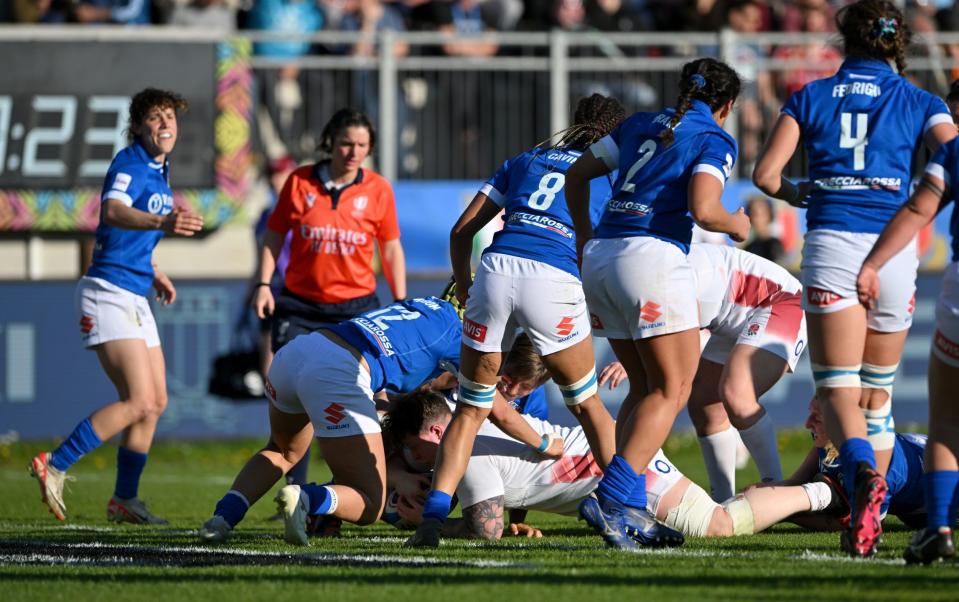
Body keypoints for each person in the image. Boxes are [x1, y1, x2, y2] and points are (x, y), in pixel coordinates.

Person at [751, 0, 956, 557]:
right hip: (895, 251)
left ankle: (862, 476)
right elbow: (953, 149)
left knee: (838, 388)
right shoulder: (921, 100)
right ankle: (875, 512)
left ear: (844, 41)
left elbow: (765, 175)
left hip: (835, 246)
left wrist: (802, 192)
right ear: (897, 45)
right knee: (878, 395)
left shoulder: (810, 96)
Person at [406, 94, 626, 549]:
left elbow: (461, 231)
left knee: (470, 409)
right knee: (588, 407)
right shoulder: (611, 171)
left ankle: (431, 520)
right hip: (552, 277)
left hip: (496, 270)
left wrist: (466, 287)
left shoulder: (526, 159)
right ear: (612, 133)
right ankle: (626, 509)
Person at [563, 57, 750, 550]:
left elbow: (576, 175)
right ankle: (614, 497)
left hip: (602, 256)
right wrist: (739, 224)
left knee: (645, 386)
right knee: (674, 387)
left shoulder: (639, 123)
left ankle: (630, 507)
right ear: (727, 105)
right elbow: (706, 212)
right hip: (650, 256)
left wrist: (587, 236)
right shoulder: (714, 137)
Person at [198, 296, 563, 544]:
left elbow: (404, 376)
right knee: (371, 502)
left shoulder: (421, 306)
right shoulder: (460, 334)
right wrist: (543, 443)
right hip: (339, 369)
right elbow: (496, 407)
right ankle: (307, 498)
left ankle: (221, 519)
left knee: (282, 450)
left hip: (298, 353)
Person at [28, 89, 204, 523]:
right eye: (155, 118)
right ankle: (55, 463)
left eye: (171, 118)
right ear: (138, 127)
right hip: (106, 291)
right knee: (139, 400)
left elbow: (131, 236)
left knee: (156, 401)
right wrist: (163, 221)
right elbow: (112, 210)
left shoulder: (160, 170)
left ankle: (124, 499)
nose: (165, 125)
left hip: (134, 290)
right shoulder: (130, 162)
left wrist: (153, 268)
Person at [385, 389, 843, 540]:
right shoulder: (467, 424)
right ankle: (810, 481)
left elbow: (486, 530)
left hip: (623, 473)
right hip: (614, 460)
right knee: (718, 512)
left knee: (719, 524)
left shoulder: (465, 451)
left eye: (412, 449)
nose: (412, 460)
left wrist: (425, 528)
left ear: (436, 435)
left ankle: (824, 491)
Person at [253, 107, 408, 488]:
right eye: (346, 144)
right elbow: (274, 235)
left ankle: (375, 490)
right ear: (330, 143)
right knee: (297, 404)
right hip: (300, 307)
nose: (353, 152)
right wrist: (262, 283)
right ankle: (296, 495)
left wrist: (401, 301)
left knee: (372, 401)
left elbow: (390, 249)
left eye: (361, 145)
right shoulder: (299, 182)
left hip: (356, 310)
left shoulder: (378, 189)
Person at [601, 243, 806, 502]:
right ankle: (722, 502)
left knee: (736, 395)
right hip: (727, 319)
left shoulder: (673, 276)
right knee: (705, 406)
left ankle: (777, 493)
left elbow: (684, 341)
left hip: (781, 300)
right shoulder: (651, 269)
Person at [856, 132, 959, 563]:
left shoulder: (954, 150)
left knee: (947, 419)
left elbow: (920, 206)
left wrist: (874, 262)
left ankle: (938, 528)